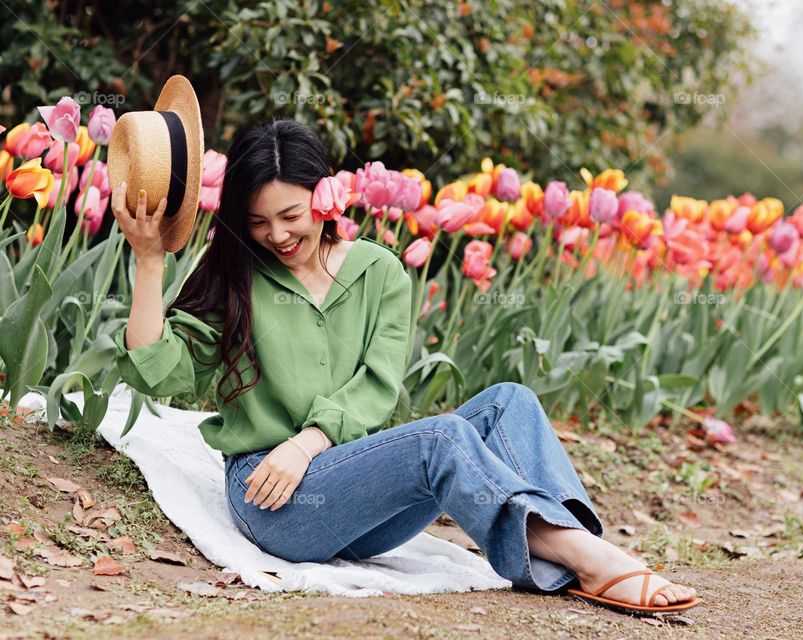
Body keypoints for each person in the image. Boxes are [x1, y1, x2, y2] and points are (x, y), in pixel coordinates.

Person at [112, 118, 698, 614]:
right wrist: (149, 262)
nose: (277, 235)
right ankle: (590, 560)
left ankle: (572, 548)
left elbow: (377, 386)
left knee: (510, 402)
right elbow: (159, 373)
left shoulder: (380, 271)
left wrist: (308, 442)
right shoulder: (235, 274)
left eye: (290, 215)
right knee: (440, 438)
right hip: (275, 500)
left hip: (366, 503)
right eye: (258, 222)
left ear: (324, 195)